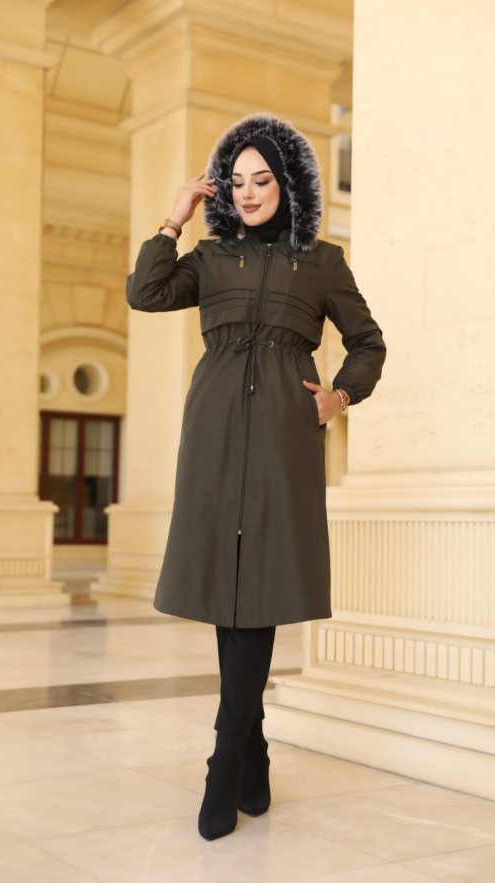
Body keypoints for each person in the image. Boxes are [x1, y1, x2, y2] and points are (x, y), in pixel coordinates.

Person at [126, 112, 386, 841]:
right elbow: (145, 292)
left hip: (281, 435)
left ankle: (222, 761)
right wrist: (172, 218)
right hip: (212, 431)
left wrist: (340, 395)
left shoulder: (323, 262)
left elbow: (368, 342)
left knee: (260, 584)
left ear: (288, 183)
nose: (246, 192)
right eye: (235, 181)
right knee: (227, 584)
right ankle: (254, 746)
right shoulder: (208, 258)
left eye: (261, 180)